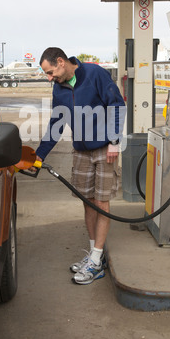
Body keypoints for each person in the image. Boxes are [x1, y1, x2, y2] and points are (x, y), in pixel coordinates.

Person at [35, 47, 126, 285]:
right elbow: (56, 123)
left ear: (61, 62)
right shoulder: (60, 88)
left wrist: (115, 140)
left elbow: (116, 104)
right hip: (81, 150)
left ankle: (96, 261)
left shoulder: (95, 74)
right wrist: (39, 156)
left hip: (105, 148)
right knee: (87, 202)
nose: (49, 78)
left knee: (101, 201)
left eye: (50, 72)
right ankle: (95, 256)